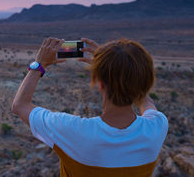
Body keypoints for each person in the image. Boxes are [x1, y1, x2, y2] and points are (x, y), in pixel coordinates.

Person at [11, 37, 168, 177]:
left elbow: (20, 105)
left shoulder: (73, 131)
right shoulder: (157, 127)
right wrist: (115, 71)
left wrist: (39, 64)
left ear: (100, 84)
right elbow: (147, 102)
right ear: (146, 83)